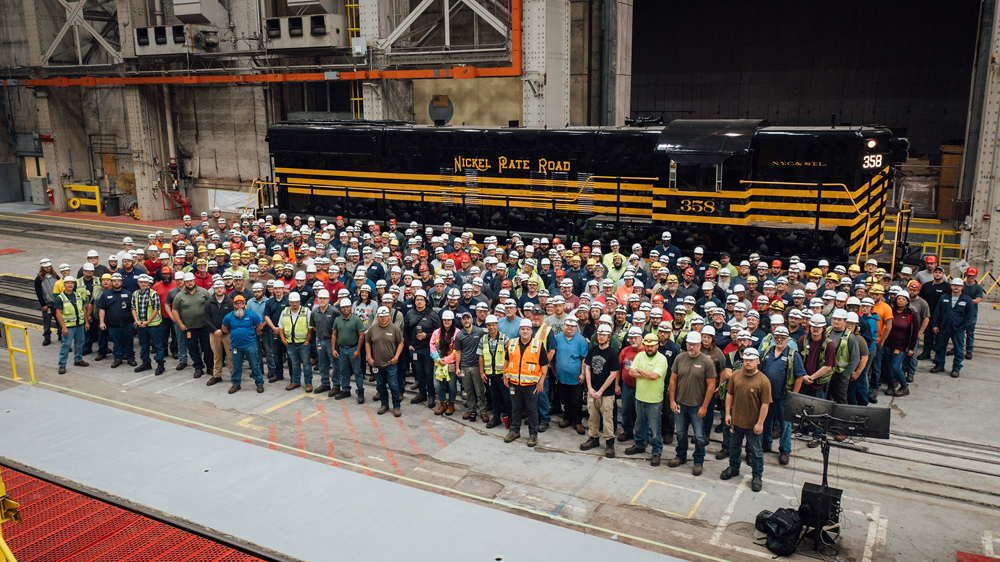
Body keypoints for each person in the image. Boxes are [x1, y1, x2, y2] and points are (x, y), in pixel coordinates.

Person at [720, 347, 771, 493]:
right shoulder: (736, 375)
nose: (747, 362)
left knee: (755, 451)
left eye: (751, 360)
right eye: (745, 360)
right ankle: (734, 468)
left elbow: (765, 404)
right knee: (734, 447)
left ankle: (757, 476)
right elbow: (729, 394)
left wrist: (760, 423)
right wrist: (728, 414)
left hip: (753, 424)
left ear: (757, 361)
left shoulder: (763, 381)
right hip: (736, 421)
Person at [668, 331, 717, 475]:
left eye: (695, 345)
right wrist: (672, 400)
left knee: (700, 436)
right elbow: (673, 380)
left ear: (700, 345)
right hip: (681, 404)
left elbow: (711, 386)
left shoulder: (706, 361)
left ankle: (698, 462)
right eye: (690, 344)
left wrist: (704, 407)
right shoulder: (679, 358)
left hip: (697, 406)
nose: (692, 347)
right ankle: (681, 456)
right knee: (681, 433)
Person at [758, 326, 805, 465]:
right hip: (767, 396)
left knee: (785, 425)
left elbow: (799, 376)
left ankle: (785, 450)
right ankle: (766, 443)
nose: (779, 340)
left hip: (783, 397)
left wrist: (793, 397)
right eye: (776, 337)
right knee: (766, 421)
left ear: (787, 339)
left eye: (782, 338)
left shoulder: (793, 355)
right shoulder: (767, 352)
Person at [503, 318, 549, 447]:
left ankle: (533, 434)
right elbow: (507, 361)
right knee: (516, 408)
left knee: (532, 410)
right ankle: (515, 431)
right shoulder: (512, 343)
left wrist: (541, 381)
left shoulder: (538, 345)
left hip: (531, 385)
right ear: (519, 330)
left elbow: (544, 364)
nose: (525, 331)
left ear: (531, 331)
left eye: (527, 329)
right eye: (522, 329)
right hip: (514, 384)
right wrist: (505, 376)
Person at [625, 333, 670, 466]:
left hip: (654, 400)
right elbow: (631, 372)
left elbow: (654, 376)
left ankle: (656, 451)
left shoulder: (661, 359)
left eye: (652, 346)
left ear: (657, 345)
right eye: (647, 346)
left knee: (655, 428)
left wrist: (640, 370)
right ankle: (639, 445)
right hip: (640, 397)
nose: (649, 348)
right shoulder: (640, 355)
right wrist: (646, 374)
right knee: (639, 425)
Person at [579, 324, 620, 458]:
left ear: (609, 337)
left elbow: (613, 374)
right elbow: (588, 368)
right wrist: (590, 388)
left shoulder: (613, 353)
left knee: (607, 418)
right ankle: (593, 438)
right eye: (599, 334)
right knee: (593, 416)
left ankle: (609, 442)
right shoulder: (593, 350)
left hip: (606, 393)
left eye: (604, 335)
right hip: (593, 391)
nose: (601, 337)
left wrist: (601, 391)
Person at [930, 278, 975, 378]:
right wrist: (935, 325)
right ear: (951, 286)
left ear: (962, 287)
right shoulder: (943, 298)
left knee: (958, 349)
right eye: (954, 285)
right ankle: (939, 365)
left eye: (958, 286)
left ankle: (956, 368)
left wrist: (963, 328)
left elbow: (969, 316)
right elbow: (937, 312)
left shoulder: (967, 300)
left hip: (958, 329)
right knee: (940, 347)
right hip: (944, 327)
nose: (956, 287)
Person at [171, 272, 213, 378]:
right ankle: (198, 367)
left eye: (191, 281)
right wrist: (180, 324)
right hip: (189, 328)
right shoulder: (179, 296)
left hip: (204, 326)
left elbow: (212, 306)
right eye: (187, 282)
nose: (190, 283)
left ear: (194, 281)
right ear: (184, 283)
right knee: (192, 348)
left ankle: (210, 367)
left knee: (207, 348)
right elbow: (174, 310)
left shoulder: (203, 292)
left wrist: (210, 322)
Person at [366, 305, 405, 416]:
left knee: (393, 386)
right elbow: (367, 342)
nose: (383, 318)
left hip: (390, 363)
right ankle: (384, 405)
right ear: (377, 317)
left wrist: (396, 357)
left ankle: (396, 406)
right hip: (377, 363)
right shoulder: (373, 329)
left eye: (385, 316)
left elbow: (401, 342)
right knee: (381, 385)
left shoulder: (395, 328)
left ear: (389, 316)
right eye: (381, 316)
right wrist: (369, 357)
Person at [222, 294, 265, 394]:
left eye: (241, 304)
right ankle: (236, 384)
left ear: (244, 304)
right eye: (237, 304)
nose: (239, 306)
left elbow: (259, 326)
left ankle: (259, 383)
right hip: (236, 346)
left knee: (254, 364)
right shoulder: (229, 317)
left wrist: (252, 333)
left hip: (249, 345)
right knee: (236, 366)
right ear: (234, 305)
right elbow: (224, 328)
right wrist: (234, 334)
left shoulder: (251, 315)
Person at [552, 316, 589, 434]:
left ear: (576, 327)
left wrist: (583, 374)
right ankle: (567, 418)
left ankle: (577, 421)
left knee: (576, 400)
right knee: (565, 399)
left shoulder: (581, 340)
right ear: (564, 326)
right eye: (567, 325)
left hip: (576, 377)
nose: (570, 328)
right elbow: (553, 357)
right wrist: (554, 371)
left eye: (572, 326)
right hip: (561, 377)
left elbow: (584, 359)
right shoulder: (557, 338)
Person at [405, 290, 441, 408]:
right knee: (419, 373)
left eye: (421, 300)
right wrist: (409, 344)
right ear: (414, 301)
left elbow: (439, 332)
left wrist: (427, 335)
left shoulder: (432, 314)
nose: (419, 302)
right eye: (417, 300)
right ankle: (422, 394)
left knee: (429, 374)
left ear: (426, 301)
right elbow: (405, 330)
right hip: (414, 349)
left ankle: (431, 395)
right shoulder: (410, 313)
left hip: (428, 350)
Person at [883, 292, 920, 396]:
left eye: (903, 299)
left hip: (901, 345)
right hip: (888, 343)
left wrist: (911, 348)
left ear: (907, 301)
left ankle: (904, 386)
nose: (900, 301)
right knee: (888, 366)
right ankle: (891, 385)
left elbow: (914, 331)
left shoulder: (910, 314)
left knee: (896, 366)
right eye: (899, 298)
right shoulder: (891, 311)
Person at [479, 314, 512, 429]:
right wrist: (482, 372)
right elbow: (481, 357)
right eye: (489, 325)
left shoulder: (504, 338)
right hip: (490, 375)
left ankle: (511, 419)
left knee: (507, 398)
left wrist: (507, 373)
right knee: (494, 397)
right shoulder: (483, 339)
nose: (491, 327)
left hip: (502, 375)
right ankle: (496, 417)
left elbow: (509, 357)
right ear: (486, 326)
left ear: (497, 325)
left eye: (493, 324)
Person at [97, 273, 136, 368]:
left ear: (121, 282)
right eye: (114, 281)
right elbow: (102, 309)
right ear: (111, 282)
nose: (116, 283)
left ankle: (130, 358)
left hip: (127, 323)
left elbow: (133, 308)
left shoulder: (128, 293)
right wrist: (101, 322)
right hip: (112, 324)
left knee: (129, 341)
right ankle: (117, 358)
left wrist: (135, 320)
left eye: (118, 281)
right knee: (116, 342)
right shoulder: (106, 294)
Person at [454, 311, 487, 421]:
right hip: (464, 366)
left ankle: (483, 411)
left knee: (480, 390)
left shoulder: (480, 332)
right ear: (461, 321)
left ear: (472, 320)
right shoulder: (459, 335)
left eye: (468, 318)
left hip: (477, 366)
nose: (466, 320)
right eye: (464, 319)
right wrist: (458, 367)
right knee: (468, 391)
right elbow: (458, 352)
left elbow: (484, 349)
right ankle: (471, 409)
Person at [332, 297, 366, 401]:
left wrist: (357, 350)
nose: (346, 309)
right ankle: (346, 390)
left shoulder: (356, 320)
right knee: (343, 371)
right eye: (343, 307)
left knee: (357, 372)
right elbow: (334, 335)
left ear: (351, 307)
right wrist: (333, 349)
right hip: (342, 349)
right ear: (340, 309)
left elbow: (361, 336)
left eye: (347, 306)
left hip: (353, 349)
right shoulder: (337, 320)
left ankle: (360, 391)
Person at [54, 276, 89, 374]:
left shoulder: (78, 296)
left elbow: (83, 309)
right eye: (68, 283)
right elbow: (58, 313)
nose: (70, 285)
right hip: (69, 326)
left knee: (80, 343)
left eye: (72, 283)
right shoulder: (60, 298)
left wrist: (86, 322)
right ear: (64, 284)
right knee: (66, 345)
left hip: (79, 325)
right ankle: (62, 365)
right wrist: (64, 327)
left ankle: (78, 359)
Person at [131, 274, 164, 375]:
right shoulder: (135, 294)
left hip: (152, 325)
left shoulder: (153, 294)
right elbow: (133, 308)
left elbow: (156, 308)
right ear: (138, 283)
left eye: (145, 282)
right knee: (144, 345)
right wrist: (136, 320)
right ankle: (146, 362)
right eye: (141, 282)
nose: (143, 284)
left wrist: (148, 321)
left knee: (157, 345)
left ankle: (160, 364)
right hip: (141, 325)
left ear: (148, 283)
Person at [279, 292, 313, 390]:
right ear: (289, 302)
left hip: (303, 343)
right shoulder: (285, 312)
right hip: (290, 343)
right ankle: (295, 381)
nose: (294, 304)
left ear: (300, 302)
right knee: (294, 364)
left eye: (297, 302)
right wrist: (283, 340)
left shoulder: (306, 311)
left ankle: (308, 383)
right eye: (293, 302)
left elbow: (311, 328)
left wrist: (307, 340)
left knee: (306, 363)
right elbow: (280, 327)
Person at [204, 281, 234, 387]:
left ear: (225, 289)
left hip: (228, 334)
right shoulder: (209, 303)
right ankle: (217, 375)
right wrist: (215, 330)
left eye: (221, 288)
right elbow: (207, 319)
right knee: (217, 356)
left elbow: (232, 318)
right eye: (217, 288)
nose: (219, 290)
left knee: (230, 357)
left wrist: (223, 330)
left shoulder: (230, 302)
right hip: (214, 334)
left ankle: (233, 376)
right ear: (214, 290)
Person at [309, 289, 339, 395]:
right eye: (320, 298)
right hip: (320, 340)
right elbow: (313, 326)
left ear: (328, 299)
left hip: (331, 341)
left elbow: (338, 327)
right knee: (322, 363)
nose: (322, 300)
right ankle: (325, 383)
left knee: (335, 364)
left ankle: (336, 385)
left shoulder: (334, 311)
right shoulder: (314, 312)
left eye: (324, 298)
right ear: (317, 299)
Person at [430, 310, 459, 415]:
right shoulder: (436, 332)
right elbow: (432, 346)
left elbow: (457, 350)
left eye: (449, 320)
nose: (446, 322)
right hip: (438, 363)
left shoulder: (457, 333)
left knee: (451, 384)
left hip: (451, 364)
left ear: (452, 321)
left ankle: (451, 403)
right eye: (445, 320)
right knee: (437, 384)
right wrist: (438, 359)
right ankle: (443, 402)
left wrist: (446, 360)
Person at [962, 267, 984, 360]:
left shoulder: (978, 288)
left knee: (970, 333)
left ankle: (969, 351)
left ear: (975, 276)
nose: (970, 277)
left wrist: (965, 301)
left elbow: (977, 300)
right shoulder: (962, 285)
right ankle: (957, 348)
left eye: (972, 276)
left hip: (972, 313)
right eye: (968, 275)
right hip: (961, 313)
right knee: (959, 332)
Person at [35, 258, 59, 346]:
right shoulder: (39, 279)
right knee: (47, 322)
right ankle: (47, 338)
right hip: (47, 305)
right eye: (46, 267)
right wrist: (43, 304)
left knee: (59, 320)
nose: (48, 268)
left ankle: (60, 334)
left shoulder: (56, 277)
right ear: (42, 267)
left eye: (49, 266)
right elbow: (38, 292)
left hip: (57, 304)